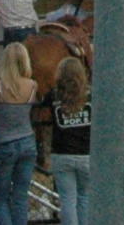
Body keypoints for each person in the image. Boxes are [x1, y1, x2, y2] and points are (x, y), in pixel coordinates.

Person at [0, 43, 38, 225]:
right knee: (21, 197)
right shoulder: (32, 86)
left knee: (1, 198)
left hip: (5, 144)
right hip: (28, 142)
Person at [45, 57, 93, 225]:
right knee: (85, 197)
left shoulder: (54, 95)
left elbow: (42, 105)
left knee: (67, 201)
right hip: (86, 154)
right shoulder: (90, 95)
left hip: (62, 153)